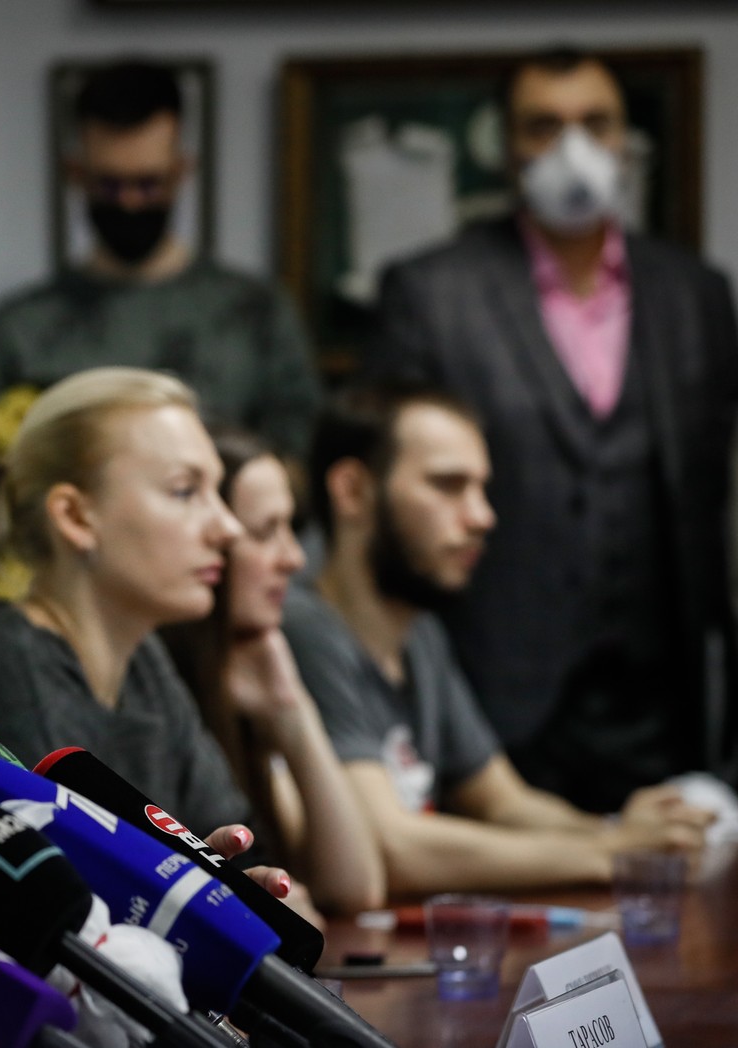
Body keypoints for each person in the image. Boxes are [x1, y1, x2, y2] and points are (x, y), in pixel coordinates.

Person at [371, 45, 738, 810]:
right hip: (494, 690)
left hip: (659, 697)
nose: (572, 147)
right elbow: (390, 483)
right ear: (505, 145)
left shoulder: (694, 294)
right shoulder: (432, 291)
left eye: (594, 122)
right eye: (543, 125)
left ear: (626, 139)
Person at [0, 366, 312, 911]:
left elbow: (251, 873)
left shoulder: (146, 667)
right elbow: (83, 927)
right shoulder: (2, 664)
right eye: (186, 491)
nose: (227, 528)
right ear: (76, 516)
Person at [282, 381, 712, 896]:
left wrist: (623, 832)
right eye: (447, 486)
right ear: (352, 490)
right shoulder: (304, 627)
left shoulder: (420, 633)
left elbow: (501, 800)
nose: (482, 517)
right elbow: (393, 846)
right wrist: (610, 854)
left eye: (481, 489)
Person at [0, 58, 321, 463]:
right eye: (110, 184)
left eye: (148, 184)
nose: (130, 203)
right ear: (77, 173)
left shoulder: (258, 314)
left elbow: (296, 467)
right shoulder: (19, 332)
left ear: (182, 170)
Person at [160, 428, 384, 914]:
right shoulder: (161, 691)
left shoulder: (251, 671)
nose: (294, 558)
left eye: (291, 529)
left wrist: (294, 713)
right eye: (265, 533)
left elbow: (354, 886)